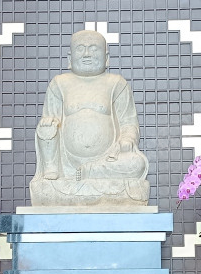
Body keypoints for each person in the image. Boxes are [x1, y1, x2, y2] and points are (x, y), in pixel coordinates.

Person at [30, 29, 149, 206]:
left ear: (106, 58)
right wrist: (47, 126)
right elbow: (49, 121)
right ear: (70, 58)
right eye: (80, 48)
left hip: (107, 160)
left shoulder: (116, 83)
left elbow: (128, 122)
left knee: (137, 164)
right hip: (67, 166)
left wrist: (127, 139)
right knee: (46, 131)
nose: (87, 54)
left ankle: (92, 171)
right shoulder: (59, 84)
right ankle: (53, 172)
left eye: (93, 49)